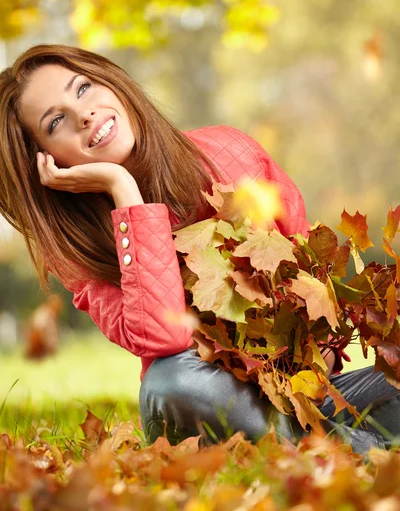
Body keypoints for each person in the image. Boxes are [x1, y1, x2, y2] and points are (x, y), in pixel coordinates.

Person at [0, 44, 399, 455]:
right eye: (56, 121)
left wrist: (317, 366)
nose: (82, 114)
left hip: (306, 392)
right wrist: (124, 192)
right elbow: (165, 339)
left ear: (112, 84)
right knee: (170, 383)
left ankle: (326, 443)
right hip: (204, 400)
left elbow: (312, 279)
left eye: (83, 88)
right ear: (46, 163)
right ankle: (358, 454)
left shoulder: (230, 154)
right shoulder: (77, 252)